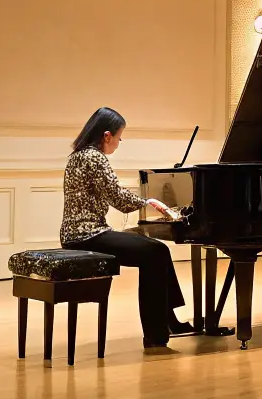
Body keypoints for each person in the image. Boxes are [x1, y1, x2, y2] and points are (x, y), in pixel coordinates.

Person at [60, 107, 191, 348]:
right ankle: (156, 334)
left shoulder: (78, 156)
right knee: (156, 252)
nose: (119, 143)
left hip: (76, 234)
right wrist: (149, 202)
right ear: (107, 135)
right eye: (119, 137)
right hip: (88, 236)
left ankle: (169, 320)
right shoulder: (95, 157)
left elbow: (112, 194)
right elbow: (117, 198)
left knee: (158, 251)